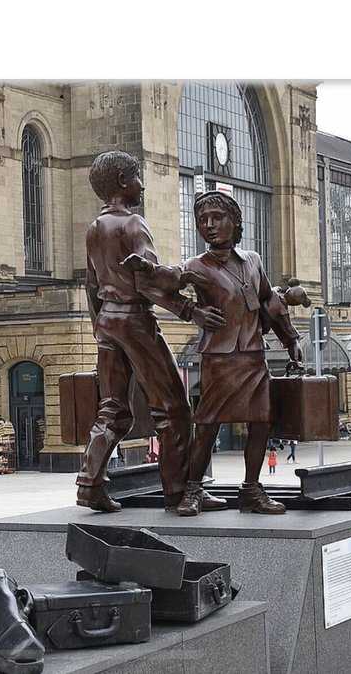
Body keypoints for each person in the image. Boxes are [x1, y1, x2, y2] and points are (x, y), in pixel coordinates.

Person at [127, 189, 303, 515]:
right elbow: (164, 281)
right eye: (202, 220)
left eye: (217, 218)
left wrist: (291, 339)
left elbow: (270, 302)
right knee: (207, 426)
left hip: (253, 357)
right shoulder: (199, 265)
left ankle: (251, 489)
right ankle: (193, 490)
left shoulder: (253, 261)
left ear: (235, 222)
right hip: (219, 360)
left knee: (261, 424)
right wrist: (189, 310)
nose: (209, 225)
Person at [77, 150, 201, 516]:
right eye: (137, 176)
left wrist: (100, 327)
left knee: (112, 408)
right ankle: (177, 494)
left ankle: (89, 483)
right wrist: (188, 309)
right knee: (174, 409)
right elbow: (147, 280)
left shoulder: (94, 229)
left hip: (107, 322)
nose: (142, 185)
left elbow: (90, 284)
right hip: (134, 320)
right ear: (122, 183)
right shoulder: (132, 224)